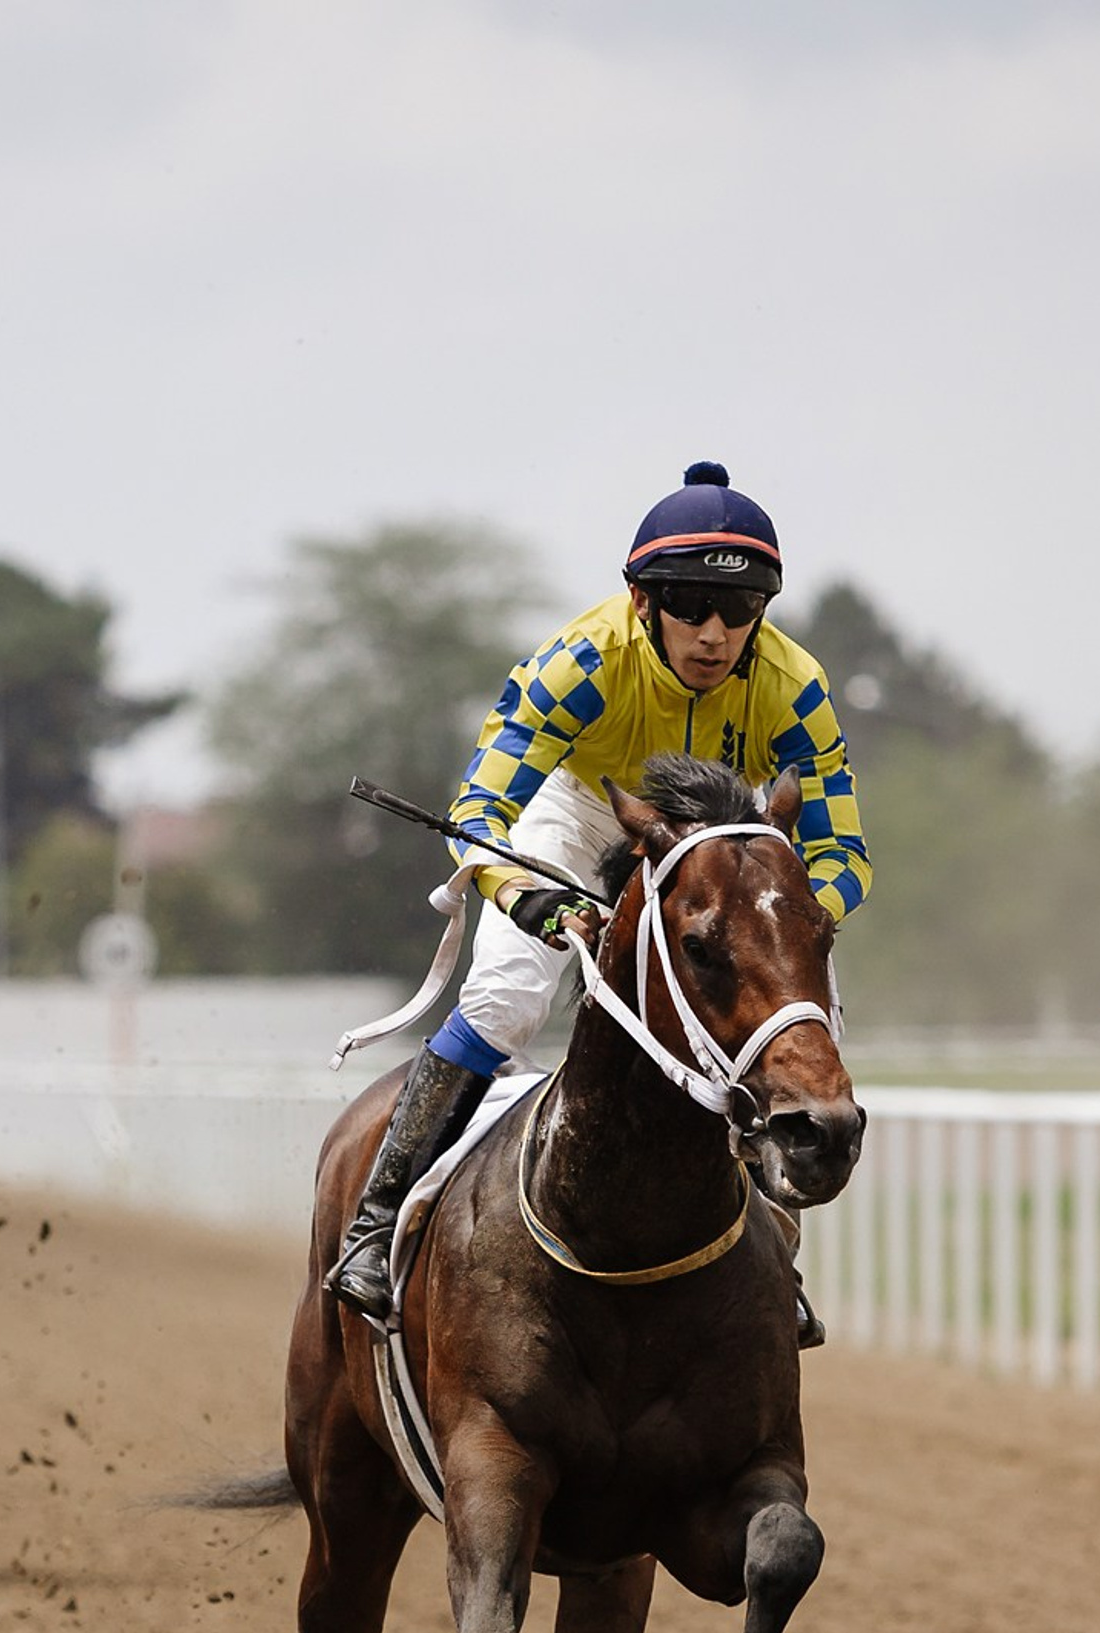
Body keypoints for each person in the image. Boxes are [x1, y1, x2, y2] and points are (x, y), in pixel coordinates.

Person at [326, 461, 871, 1336]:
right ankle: (377, 1218)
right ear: (642, 600)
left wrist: (801, 920)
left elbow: (842, 850)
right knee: (507, 997)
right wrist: (527, 899)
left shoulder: (793, 683)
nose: (715, 633)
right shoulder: (582, 661)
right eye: (689, 604)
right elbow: (479, 813)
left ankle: (775, 1255)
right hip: (582, 807)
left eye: (741, 609)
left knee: (788, 1020)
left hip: (720, 828)